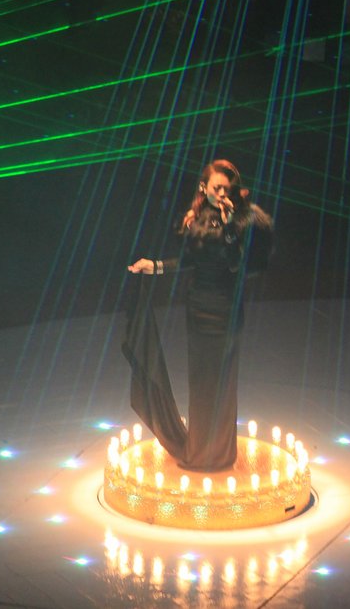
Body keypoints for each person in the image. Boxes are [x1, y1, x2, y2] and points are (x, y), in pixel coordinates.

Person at [127, 159, 273, 471]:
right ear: (204, 188)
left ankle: (219, 454)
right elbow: (188, 261)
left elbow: (237, 265)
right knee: (200, 383)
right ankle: (200, 450)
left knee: (221, 383)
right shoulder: (195, 219)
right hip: (197, 309)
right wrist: (155, 266)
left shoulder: (243, 220)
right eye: (217, 188)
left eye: (227, 189)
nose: (222, 193)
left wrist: (230, 226)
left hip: (225, 309)